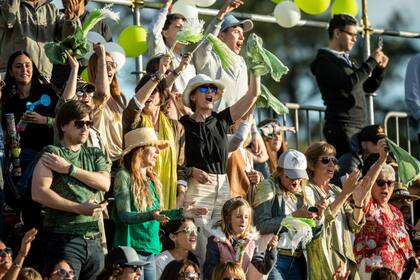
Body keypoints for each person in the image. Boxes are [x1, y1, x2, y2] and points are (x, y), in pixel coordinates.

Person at [180, 72, 260, 261]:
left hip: (223, 186)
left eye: (213, 89)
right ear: (193, 96)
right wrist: (191, 171)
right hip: (197, 188)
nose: (210, 92)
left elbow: (252, 95)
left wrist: (256, 70)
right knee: (199, 248)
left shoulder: (221, 120)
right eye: (204, 88)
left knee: (221, 246)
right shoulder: (183, 124)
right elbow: (175, 161)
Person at [112, 127, 207, 280]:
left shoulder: (152, 180)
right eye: (153, 147)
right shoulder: (123, 176)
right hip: (130, 249)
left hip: (151, 249)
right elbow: (124, 215)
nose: (158, 152)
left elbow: (158, 214)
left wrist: (182, 212)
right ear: (140, 150)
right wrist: (152, 215)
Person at [31, 100, 111, 280]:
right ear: (63, 125)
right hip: (62, 238)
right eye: (79, 123)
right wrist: (78, 208)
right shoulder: (52, 153)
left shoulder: (95, 153)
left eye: (88, 123)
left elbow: (105, 184)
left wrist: (70, 169)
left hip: (93, 239)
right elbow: (38, 193)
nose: (85, 128)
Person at [310, 13, 389, 158]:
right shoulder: (324, 61)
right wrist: (371, 62)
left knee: (360, 175)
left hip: (357, 126)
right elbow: (348, 84)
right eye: (351, 34)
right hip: (341, 126)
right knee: (347, 174)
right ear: (337, 33)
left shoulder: (348, 61)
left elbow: (367, 87)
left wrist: (379, 70)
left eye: (357, 35)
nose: (355, 39)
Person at [193, 0, 265, 156]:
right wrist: (221, 14)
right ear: (221, 34)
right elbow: (205, 43)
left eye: (243, 34)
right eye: (236, 32)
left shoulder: (242, 62)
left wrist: (254, 132)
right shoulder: (208, 58)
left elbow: (248, 98)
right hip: (213, 129)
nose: (242, 37)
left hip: (240, 134)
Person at [122, 55, 188, 209]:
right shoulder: (135, 121)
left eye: (153, 92)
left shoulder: (176, 127)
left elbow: (181, 167)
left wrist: (182, 194)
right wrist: (157, 76)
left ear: (162, 96)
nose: (149, 95)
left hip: (170, 196)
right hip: (140, 192)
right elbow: (135, 105)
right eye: (145, 90)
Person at [253, 149, 326, 280]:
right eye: (290, 175)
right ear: (280, 172)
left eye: (298, 176)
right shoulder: (268, 187)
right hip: (274, 257)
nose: (295, 181)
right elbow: (260, 226)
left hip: (299, 259)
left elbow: (313, 235)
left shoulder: (306, 192)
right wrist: (293, 216)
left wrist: (319, 218)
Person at [304, 141, 371, 280]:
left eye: (333, 160)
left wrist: (358, 202)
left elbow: (354, 225)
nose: (331, 164)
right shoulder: (307, 190)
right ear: (311, 164)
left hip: (345, 256)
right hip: (324, 257)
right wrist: (345, 194)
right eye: (325, 160)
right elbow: (320, 221)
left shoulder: (337, 190)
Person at [353, 143, 415, 278]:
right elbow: (366, 184)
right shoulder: (369, 205)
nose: (385, 187)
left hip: (399, 275)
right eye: (380, 183)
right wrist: (381, 160)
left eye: (390, 183)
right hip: (373, 274)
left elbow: (409, 244)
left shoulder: (396, 212)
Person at [1, 51, 59, 196]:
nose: (24, 70)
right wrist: (14, 133)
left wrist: (44, 120)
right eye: (19, 66)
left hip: (47, 153)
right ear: (11, 71)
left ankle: (20, 189)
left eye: (28, 65)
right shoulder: (9, 101)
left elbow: (66, 122)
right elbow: (7, 133)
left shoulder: (47, 93)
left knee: (44, 154)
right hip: (20, 155)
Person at [0, 0, 80, 79]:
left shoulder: (51, 9)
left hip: (42, 77)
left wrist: (70, 18)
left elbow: (68, 38)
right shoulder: (7, 3)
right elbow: (7, 20)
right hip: (12, 75)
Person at [203, 197, 277, 279]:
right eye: (238, 216)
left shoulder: (250, 243)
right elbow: (209, 271)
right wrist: (229, 272)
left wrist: (271, 249)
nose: (243, 220)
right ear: (228, 218)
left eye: (246, 217)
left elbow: (263, 268)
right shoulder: (216, 241)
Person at [51, 0, 112, 90]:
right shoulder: (54, 18)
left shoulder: (99, 24)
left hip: (88, 88)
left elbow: (108, 57)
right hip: (58, 85)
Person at [88, 43, 126, 167]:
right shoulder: (90, 97)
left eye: (112, 65)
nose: (109, 69)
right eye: (105, 65)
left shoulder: (119, 99)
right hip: (104, 164)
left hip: (122, 161)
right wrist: (101, 55)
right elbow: (103, 93)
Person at [147, 0, 195, 92]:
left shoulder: (190, 63)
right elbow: (154, 32)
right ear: (165, 33)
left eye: (184, 27)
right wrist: (166, 6)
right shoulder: (161, 52)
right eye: (177, 26)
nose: (182, 30)